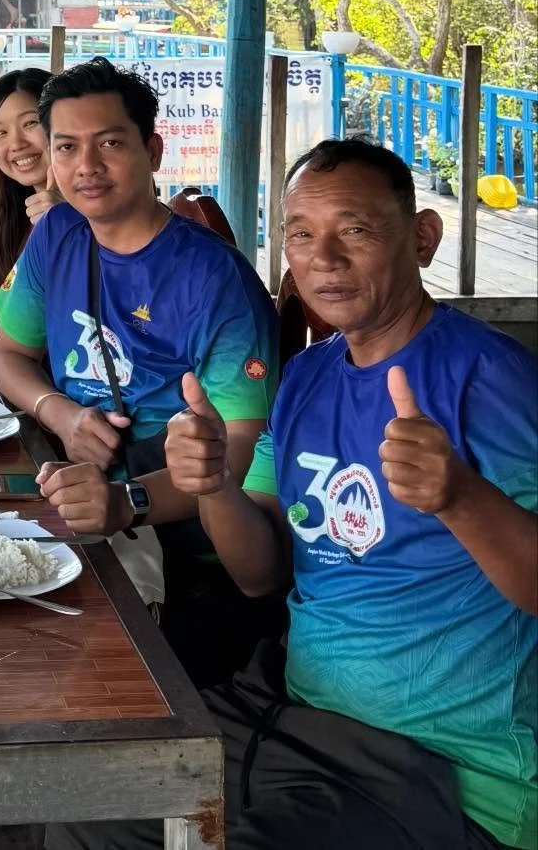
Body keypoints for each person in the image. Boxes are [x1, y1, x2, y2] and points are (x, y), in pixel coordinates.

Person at [55, 140, 537, 850]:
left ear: (422, 237)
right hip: (295, 716)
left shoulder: (491, 379)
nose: (325, 259)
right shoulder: (308, 376)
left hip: (442, 766)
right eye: (302, 235)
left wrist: (460, 496)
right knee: (86, 800)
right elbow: (260, 573)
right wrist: (213, 483)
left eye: (356, 230)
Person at [0, 56, 283, 686]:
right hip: (80, 491)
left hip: (185, 546)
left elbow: (237, 456)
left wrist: (128, 500)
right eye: (66, 147)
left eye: (110, 143)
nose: (86, 167)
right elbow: (7, 358)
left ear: (152, 149)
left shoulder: (215, 280)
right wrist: (60, 412)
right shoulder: (59, 232)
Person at [0, 66, 60, 321]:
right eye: (0, 132)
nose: (16, 144)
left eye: (30, 123)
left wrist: (68, 226)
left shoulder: (99, 219)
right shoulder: (10, 220)